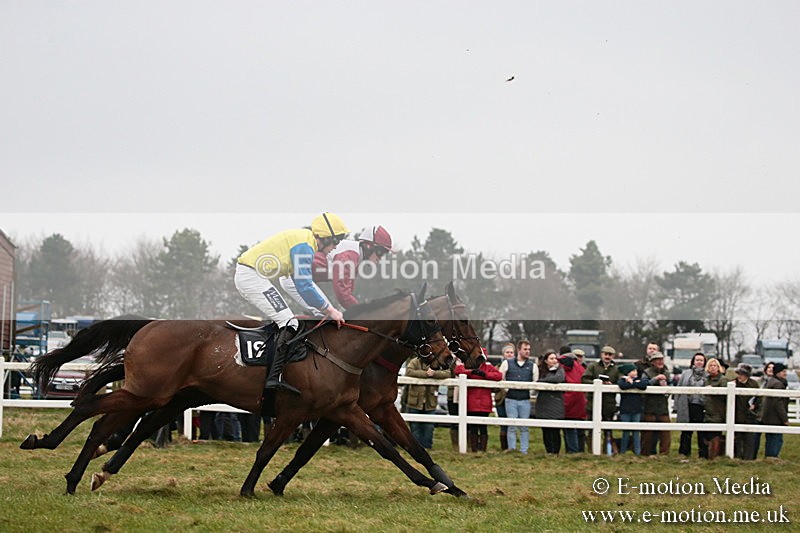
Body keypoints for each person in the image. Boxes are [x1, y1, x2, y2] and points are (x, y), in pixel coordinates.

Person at [234, 212, 348, 394]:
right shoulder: (305, 245)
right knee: (289, 322)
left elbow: (299, 283)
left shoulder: (305, 242)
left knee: (289, 320)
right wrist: (330, 310)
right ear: (326, 237)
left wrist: (321, 310)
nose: (335, 247)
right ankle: (273, 378)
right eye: (336, 241)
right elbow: (304, 285)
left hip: (253, 275)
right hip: (251, 276)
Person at [280, 225, 393, 312]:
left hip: (300, 277)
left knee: (328, 314)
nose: (380, 258)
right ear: (369, 246)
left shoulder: (356, 259)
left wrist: (360, 311)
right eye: (380, 253)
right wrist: (364, 313)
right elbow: (343, 295)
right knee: (327, 314)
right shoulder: (350, 256)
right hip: (293, 276)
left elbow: (348, 294)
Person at [454, 352, 502, 452]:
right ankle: (474, 449)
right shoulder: (468, 365)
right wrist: (471, 372)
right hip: (472, 402)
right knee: (473, 427)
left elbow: (499, 375)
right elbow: (458, 370)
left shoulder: (488, 367)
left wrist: (485, 375)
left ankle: (483, 449)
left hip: (484, 402)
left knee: (483, 426)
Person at [499, 339, 538, 454]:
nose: (527, 352)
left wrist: (529, 393)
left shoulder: (533, 366)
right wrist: (507, 390)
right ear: (519, 350)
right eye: (525, 349)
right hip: (510, 399)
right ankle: (512, 449)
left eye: (529, 349)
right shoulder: (507, 363)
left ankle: (524, 450)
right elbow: (501, 378)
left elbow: (535, 383)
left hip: (525, 400)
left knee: (524, 426)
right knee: (511, 425)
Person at [403, 356, 451, 449]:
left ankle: (427, 447)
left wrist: (434, 374)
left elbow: (447, 373)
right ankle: (416, 448)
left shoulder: (439, 361)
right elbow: (409, 372)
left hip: (430, 402)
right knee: (415, 427)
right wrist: (426, 374)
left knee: (429, 427)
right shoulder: (415, 361)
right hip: (415, 402)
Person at [582, 345, 620, 455]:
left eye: (610, 355)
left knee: (608, 431)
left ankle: (606, 452)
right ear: (601, 354)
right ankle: (591, 451)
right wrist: (597, 383)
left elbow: (619, 383)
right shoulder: (593, 366)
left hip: (608, 404)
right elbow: (584, 379)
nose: (607, 356)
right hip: (593, 403)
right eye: (605, 354)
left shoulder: (616, 369)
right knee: (591, 430)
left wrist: (611, 385)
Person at [674, 352, 708, 458]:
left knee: (702, 432)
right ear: (693, 361)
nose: (699, 362)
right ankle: (684, 453)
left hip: (702, 406)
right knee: (686, 431)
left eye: (701, 360)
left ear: (704, 362)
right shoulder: (686, 374)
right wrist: (676, 406)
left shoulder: (707, 375)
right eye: (697, 360)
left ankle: (703, 455)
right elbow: (679, 389)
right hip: (687, 405)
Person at [641, 351, 672, 456]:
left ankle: (664, 454)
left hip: (663, 407)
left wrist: (666, 386)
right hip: (650, 407)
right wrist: (655, 379)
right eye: (657, 360)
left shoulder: (667, 373)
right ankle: (646, 454)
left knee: (665, 433)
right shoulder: (647, 372)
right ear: (652, 362)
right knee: (648, 434)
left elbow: (672, 387)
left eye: (661, 359)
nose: (660, 362)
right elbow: (643, 384)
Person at [536, 349, 566, 454]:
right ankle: (549, 451)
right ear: (546, 361)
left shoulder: (560, 370)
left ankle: (556, 451)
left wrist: (541, 382)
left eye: (555, 358)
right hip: (543, 404)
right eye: (551, 358)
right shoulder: (540, 371)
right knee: (546, 430)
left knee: (555, 430)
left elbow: (558, 378)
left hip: (556, 403)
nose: (554, 361)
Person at [558, 347, 587, 453]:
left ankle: (572, 451)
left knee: (569, 428)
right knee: (580, 429)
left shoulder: (560, 364)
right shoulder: (580, 366)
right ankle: (581, 451)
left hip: (567, 400)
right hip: (581, 401)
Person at [617, 363, 648, 455]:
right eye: (633, 371)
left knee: (636, 432)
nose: (636, 372)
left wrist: (632, 383)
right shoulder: (622, 380)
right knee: (625, 432)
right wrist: (633, 384)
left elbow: (644, 385)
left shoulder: (639, 380)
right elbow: (622, 386)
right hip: (625, 410)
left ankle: (637, 452)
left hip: (636, 410)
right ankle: (623, 452)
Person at [760, 363, 789, 458]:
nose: (785, 373)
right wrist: (784, 418)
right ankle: (772, 458)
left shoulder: (771, 381)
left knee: (770, 438)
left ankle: (769, 457)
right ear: (778, 373)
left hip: (768, 416)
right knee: (776, 439)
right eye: (783, 371)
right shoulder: (778, 384)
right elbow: (778, 403)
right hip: (775, 417)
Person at [702, 357, 728, 460]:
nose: (713, 368)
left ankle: (715, 457)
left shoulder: (723, 380)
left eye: (715, 366)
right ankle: (708, 455)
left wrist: (714, 391)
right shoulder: (706, 380)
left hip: (718, 412)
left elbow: (725, 396)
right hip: (707, 411)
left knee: (715, 435)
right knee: (707, 435)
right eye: (711, 366)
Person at [732, 363, 759, 460]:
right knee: (737, 439)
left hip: (749, 416)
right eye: (738, 373)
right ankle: (737, 457)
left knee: (749, 439)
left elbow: (759, 398)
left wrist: (754, 405)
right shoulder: (733, 383)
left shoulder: (754, 384)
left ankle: (749, 458)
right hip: (737, 414)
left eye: (742, 374)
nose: (739, 376)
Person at [494, 343, 516, 451]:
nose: (510, 354)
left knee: (512, 423)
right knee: (503, 423)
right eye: (507, 352)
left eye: (511, 352)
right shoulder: (497, 368)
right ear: (503, 354)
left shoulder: (517, 368)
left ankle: (512, 446)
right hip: (501, 399)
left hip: (513, 398)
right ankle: (504, 447)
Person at [753, 361, 775, 457]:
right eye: (768, 367)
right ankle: (752, 456)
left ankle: (770, 457)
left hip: (770, 413)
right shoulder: (759, 381)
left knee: (770, 436)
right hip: (758, 412)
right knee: (754, 437)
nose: (770, 369)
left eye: (772, 368)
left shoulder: (776, 382)